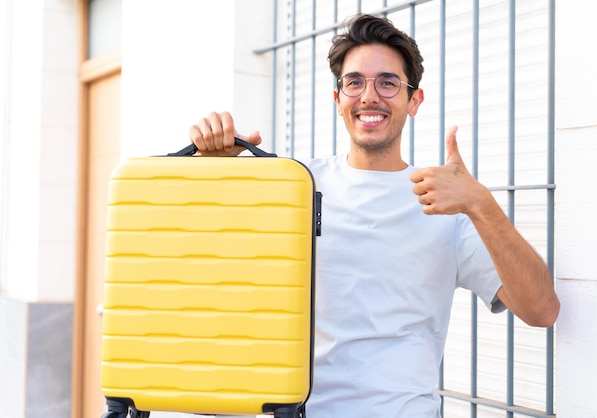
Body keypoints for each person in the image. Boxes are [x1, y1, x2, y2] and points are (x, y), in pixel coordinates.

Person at [188, 13, 560, 418]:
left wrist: (481, 204)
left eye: (388, 82)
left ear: (413, 100)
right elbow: (211, 278)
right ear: (338, 99)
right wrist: (211, 173)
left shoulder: (446, 204)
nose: (369, 96)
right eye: (354, 82)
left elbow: (541, 310)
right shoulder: (293, 186)